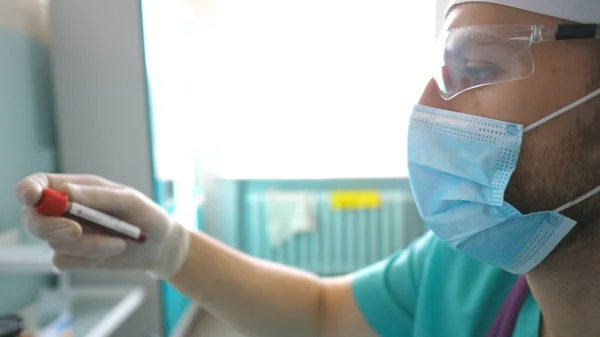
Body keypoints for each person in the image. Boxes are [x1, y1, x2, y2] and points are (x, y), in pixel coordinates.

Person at [14, 0, 600, 336]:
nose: (428, 107)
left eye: (480, 67)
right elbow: (322, 316)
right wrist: (169, 248)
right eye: (446, 71)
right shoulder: (469, 271)